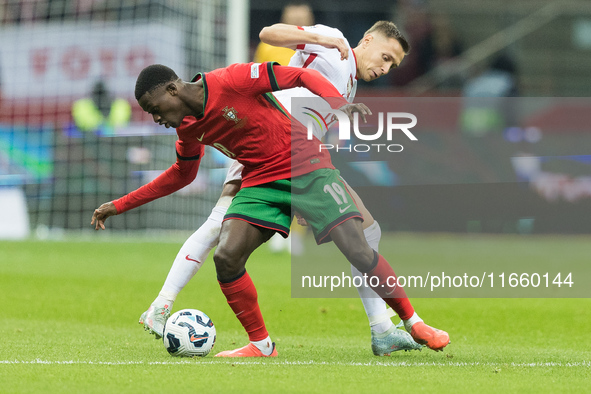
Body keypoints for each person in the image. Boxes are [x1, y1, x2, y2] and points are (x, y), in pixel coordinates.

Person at [92, 61, 450, 357]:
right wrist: (119, 205)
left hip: (306, 165)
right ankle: (261, 345)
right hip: (261, 181)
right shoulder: (187, 129)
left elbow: (297, 75)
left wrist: (335, 102)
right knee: (226, 256)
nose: (157, 119)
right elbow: (181, 176)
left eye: (155, 110)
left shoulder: (231, 80)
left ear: (172, 90)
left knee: (358, 248)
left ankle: (412, 322)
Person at [253, 2, 315, 66]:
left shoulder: (318, 44)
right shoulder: (269, 44)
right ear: (283, 20)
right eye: (293, 20)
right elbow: (258, 71)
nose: (297, 25)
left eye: (301, 19)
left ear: (311, 20)